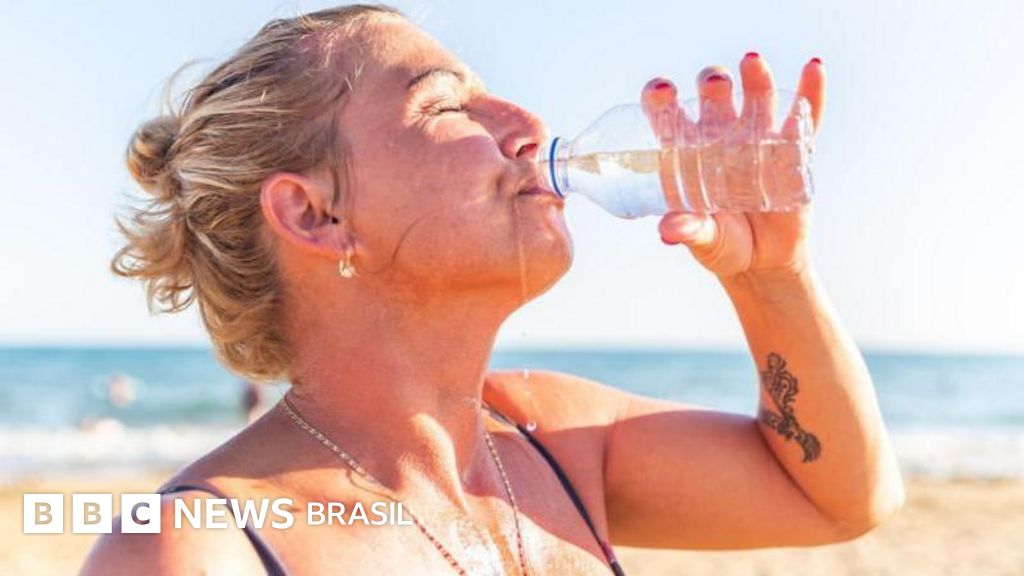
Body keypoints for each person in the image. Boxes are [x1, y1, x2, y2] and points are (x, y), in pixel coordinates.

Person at [82, 5, 904, 574]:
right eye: (444, 104)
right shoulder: (195, 550)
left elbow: (838, 498)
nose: (528, 124)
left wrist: (772, 277)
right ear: (315, 213)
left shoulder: (550, 439)